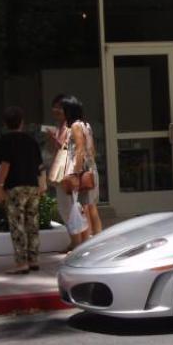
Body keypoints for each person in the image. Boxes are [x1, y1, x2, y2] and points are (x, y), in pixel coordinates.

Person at [0, 106, 45, 274]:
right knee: (32, 223)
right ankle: (34, 260)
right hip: (32, 185)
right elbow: (40, 165)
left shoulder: (6, 140)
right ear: (22, 122)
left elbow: (5, 164)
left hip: (15, 186)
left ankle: (21, 262)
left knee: (17, 224)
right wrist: (42, 184)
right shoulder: (31, 140)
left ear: (6, 124)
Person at [61, 95, 102, 241]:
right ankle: (97, 241)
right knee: (91, 207)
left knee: (84, 207)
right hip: (91, 169)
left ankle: (87, 244)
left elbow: (79, 149)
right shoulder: (86, 125)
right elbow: (92, 150)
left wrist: (75, 172)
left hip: (82, 171)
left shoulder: (75, 126)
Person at [46, 94, 81, 251]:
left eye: (60, 107)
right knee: (65, 207)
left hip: (69, 172)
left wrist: (55, 139)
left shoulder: (71, 126)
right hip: (62, 172)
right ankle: (75, 240)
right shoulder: (60, 126)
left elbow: (69, 148)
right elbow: (55, 150)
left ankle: (77, 242)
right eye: (55, 106)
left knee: (69, 207)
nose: (56, 110)